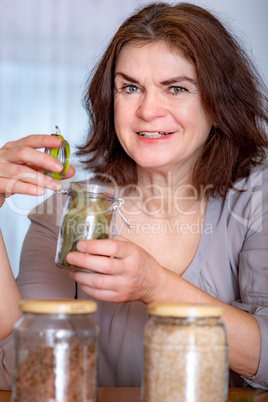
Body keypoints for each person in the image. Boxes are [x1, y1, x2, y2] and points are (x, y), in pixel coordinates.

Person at [0, 1, 268, 391]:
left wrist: (155, 286)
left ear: (218, 102)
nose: (147, 110)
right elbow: (20, 370)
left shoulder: (255, 200)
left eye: (176, 88)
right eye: (130, 87)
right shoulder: (65, 212)